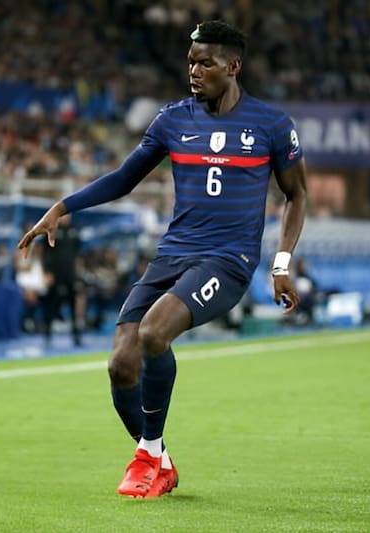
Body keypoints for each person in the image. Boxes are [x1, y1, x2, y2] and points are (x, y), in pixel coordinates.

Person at [18, 20, 307, 499]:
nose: (194, 70)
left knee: (154, 333)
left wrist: (280, 265)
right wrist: (62, 208)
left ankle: (147, 455)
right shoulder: (173, 120)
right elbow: (123, 178)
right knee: (120, 366)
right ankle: (161, 460)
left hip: (227, 261)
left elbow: (297, 195)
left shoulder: (271, 125)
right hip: (173, 256)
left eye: (206, 62)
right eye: (190, 61)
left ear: (233, 67)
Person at [41, 214, 82, 346]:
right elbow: (45, 252)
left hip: (70, 274)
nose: (66, 218)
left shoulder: (74, 230)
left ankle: (76, 335)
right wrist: (47, 272)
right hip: (55, 274)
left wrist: (77, 273)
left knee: (73, 305)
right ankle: (47, 334)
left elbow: (77, 254)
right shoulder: (52, 230)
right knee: (52, 304)